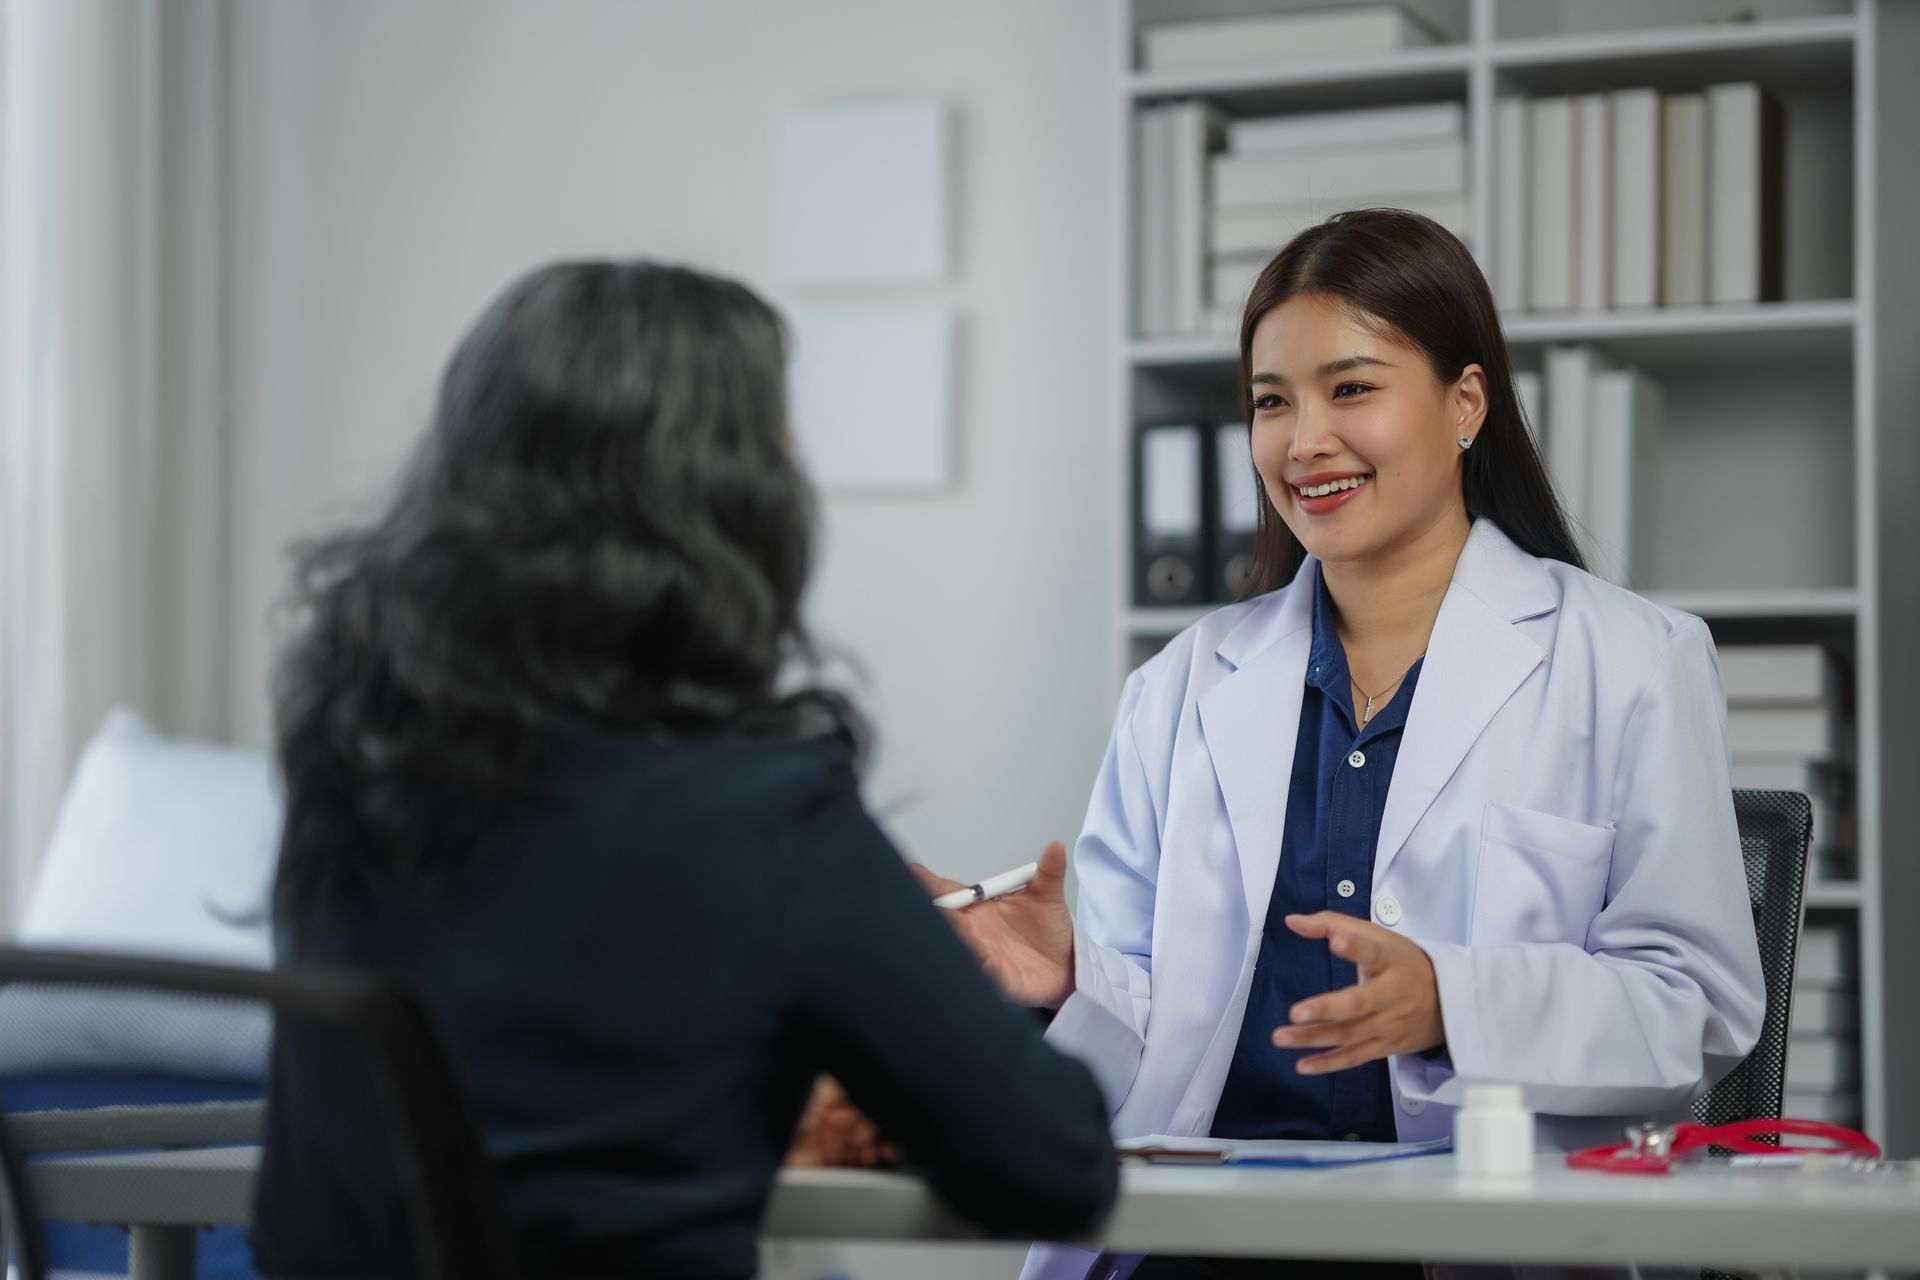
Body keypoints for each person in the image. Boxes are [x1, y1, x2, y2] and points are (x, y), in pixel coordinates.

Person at [916, 209, 1766, 1280]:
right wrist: (1067, 980)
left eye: (1350, 388)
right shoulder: (1183, 680)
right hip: (1203, 1240)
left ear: (1466, 402)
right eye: (1273, 401)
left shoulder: (1633, 660)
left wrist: (1451, 1001)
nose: (1303, 438)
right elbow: (1154, 1034)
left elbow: (1696, 1004)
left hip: (1466, 1240)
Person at [250, 261, 1118, 1277]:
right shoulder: (760, 806)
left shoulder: (353, 774)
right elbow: (1056, 1165)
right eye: (780, 447)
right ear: (729, 504)